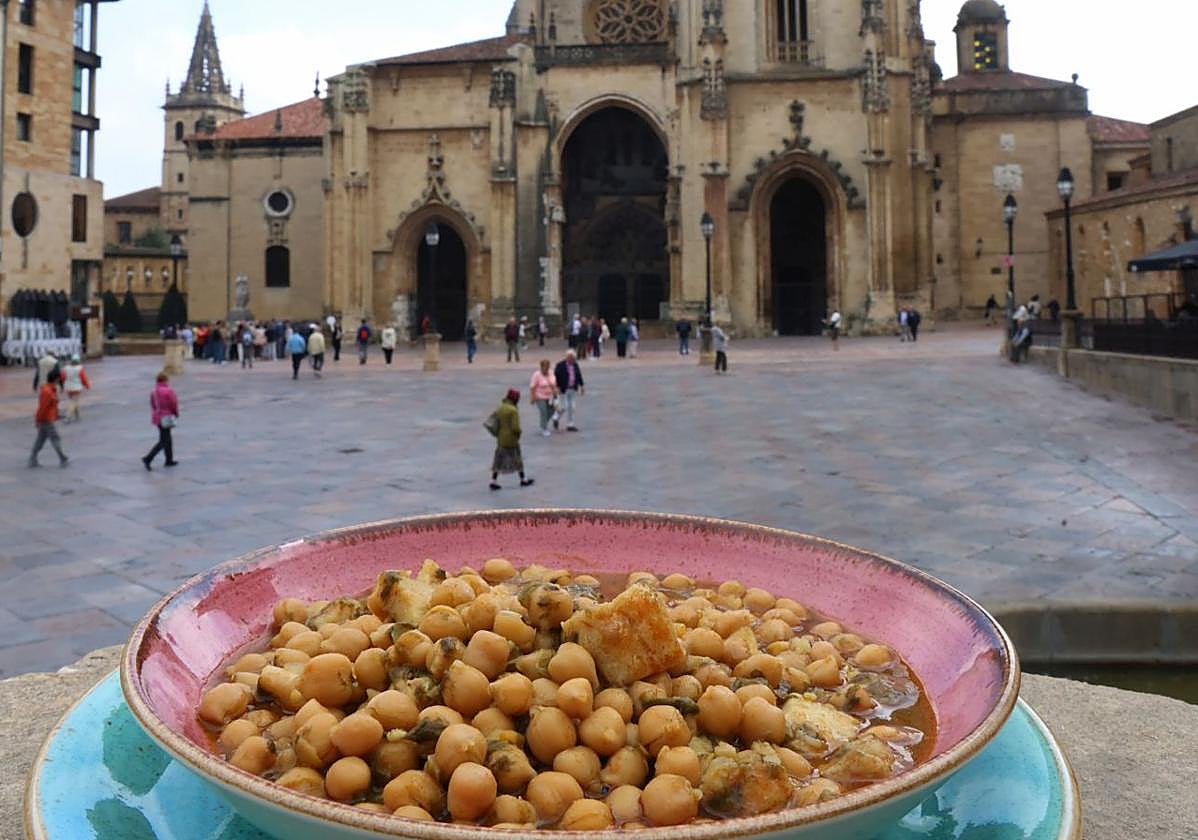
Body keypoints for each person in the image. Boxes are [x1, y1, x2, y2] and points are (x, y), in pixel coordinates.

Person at [489, 388, 534, 491]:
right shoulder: (513, 410)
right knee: (517, 459)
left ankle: (493, 480)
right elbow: (515, 428)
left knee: (498, 460)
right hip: (511, 440)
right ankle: (523, 479)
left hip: (501, 438)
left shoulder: (501, 407)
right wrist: (519, 434)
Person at [29, 368, 68, 468]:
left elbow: (50, 406)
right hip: (46, 419)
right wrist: (38, 419)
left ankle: (33, 458)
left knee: (40, 440)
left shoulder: (50, 390)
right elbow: (43, 408)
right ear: (56, 379)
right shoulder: (48, 392)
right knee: (55, 438)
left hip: (47, 418)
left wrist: (56, 415)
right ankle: (62, 457)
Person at [141, 372, 179, 470]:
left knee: (167, 438)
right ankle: (148, 458)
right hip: (166, 417)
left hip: (158, 417)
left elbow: (153, 404)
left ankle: (169, 459)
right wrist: (175, 413)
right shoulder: (168, 391)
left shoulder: (154, 392)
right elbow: (173, 403)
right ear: (165, 380)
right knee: (164, 441)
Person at [553, 350, 584, 432]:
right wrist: (556, 387)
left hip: (572, 388)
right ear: (567, 357)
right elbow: (555, 376)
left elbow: (579, 375)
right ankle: (555, 418)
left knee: (572, 407)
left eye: (573, 358)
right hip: (563, 388)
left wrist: (582, 385)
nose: (571, 360)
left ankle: (570, 424)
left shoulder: (575, 365)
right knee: (563, 406)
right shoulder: (560, 365)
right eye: (570, 357)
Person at [529, 359, 558, 438]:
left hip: (550, 396)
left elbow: (554, 383)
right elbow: (532, 387)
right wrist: (532, 397)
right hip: (539, 396)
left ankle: (543, 423)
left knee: (552, 410)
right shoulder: (536, 375)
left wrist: (555, 390)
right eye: (544, 367)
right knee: (543, 411)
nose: (546, 369)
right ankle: (544, 428)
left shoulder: (551, 373)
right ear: (541, 367)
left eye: (547, 367)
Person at [61, 354, 91, 422]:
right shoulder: (80, 368)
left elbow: (63, 378)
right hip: (76, 387)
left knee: (73, 401)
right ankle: (68, 416)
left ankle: (77, 415)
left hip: (68, 387)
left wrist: (63, 384)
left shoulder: (66, 368)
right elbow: (83, 378)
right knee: (74, 402)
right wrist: (87, 386)